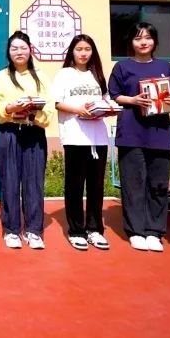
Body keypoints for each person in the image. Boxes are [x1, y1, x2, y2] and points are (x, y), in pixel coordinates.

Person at [109, 22, 170, 252]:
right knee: (133, 183)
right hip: (131, 132)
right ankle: (136, 231)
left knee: (158, 184)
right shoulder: (122, 66)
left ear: (155, 41)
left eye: (148, 37)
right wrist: (133, 100)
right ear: (131, 42)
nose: (143, 42)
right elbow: (114, 95)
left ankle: (154, 231)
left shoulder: (166, 67)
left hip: (159, 132)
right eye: (138, 38)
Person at [0, 32, 53, 250]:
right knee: (9, 181)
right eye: (14, 48)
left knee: (34, 182)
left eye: (23, 48)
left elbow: (50, 108)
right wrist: (10, 108)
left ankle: (34, 230)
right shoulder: (1, 76)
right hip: (8, 133)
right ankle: (11, 229)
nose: (19, 52)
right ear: (8, 52)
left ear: (30, 50)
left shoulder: (41, 76)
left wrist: (32, 114)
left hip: (34, 132)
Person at [51, 34, 111, 251]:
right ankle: (76, 230)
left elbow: (106, 101)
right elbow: (57, 102)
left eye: (87, 49)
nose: (83, 53)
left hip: (98, 137)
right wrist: (79, 110)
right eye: (79, 49)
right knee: (75, 185)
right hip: (75, 136)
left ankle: (95, 229)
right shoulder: (64, 74)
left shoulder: (97, 75)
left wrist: (107, 109)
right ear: (72, 52)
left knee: (96, 185)